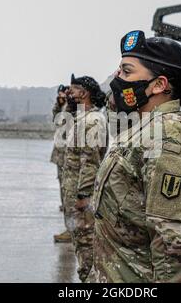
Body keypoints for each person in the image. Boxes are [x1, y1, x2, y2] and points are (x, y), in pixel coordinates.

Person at [88, 30, 181, 283]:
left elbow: (172, 241)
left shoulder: (165, 136)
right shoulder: (141, 126)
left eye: (127, 72)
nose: (117, 79)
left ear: (159, 85)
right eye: (118, 71)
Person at [62, 74, 106, 282]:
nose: (70, 93)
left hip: (81, 198)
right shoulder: (81, 118)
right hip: (73, 194)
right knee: (80, 242)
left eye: (74, 89)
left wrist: (83, 195)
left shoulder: (92, 121)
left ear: (85, 93)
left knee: (87, 244)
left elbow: (90, 162)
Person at [51, 84, 73, 243]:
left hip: (69, 154)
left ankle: (71, 229)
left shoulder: (73, 106)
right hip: (61, 152)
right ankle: (68, 223)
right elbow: (55, 118)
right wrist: (58, 104)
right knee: (63, 186)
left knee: (70, 191)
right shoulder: (63, 106)